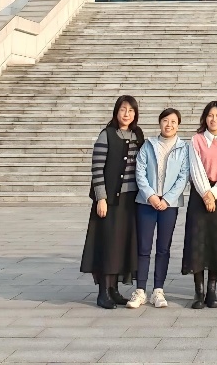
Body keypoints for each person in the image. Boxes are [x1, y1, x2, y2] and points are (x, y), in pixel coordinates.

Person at [80, 95, 145, 309]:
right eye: (123, 109)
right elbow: (97, 169)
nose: (127, 114)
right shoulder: (106, 134)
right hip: (110, 201)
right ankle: (103, 292)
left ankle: (114, 290)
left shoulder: (137, 135)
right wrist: (101, 198)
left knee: (122, 245)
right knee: (107, 244)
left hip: (130, 201)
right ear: (116, 111)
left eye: (131, 110)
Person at [127, 108, 190, 309]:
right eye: (165, 120)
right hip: (146, 203)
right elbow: (140, 172)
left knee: (163, 248)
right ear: (160, 122)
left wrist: (168, 199)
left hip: (169, 205)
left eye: (173, 121)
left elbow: (184, 176)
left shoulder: (183, 148)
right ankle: (140, 291)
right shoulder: (148, 145)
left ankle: (158, 290)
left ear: (178, 125)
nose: (168, 125)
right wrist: (151, 195)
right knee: (143, 247)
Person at [183, 100, 217, 309]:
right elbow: (195, 167)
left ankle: (212, 289)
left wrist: (214, 194)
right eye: (210, 115)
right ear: (205, 118)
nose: (214, 119)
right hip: (199, 195)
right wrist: (206, 194)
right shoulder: (196, 140)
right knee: (197, 241)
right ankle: (199, 291)